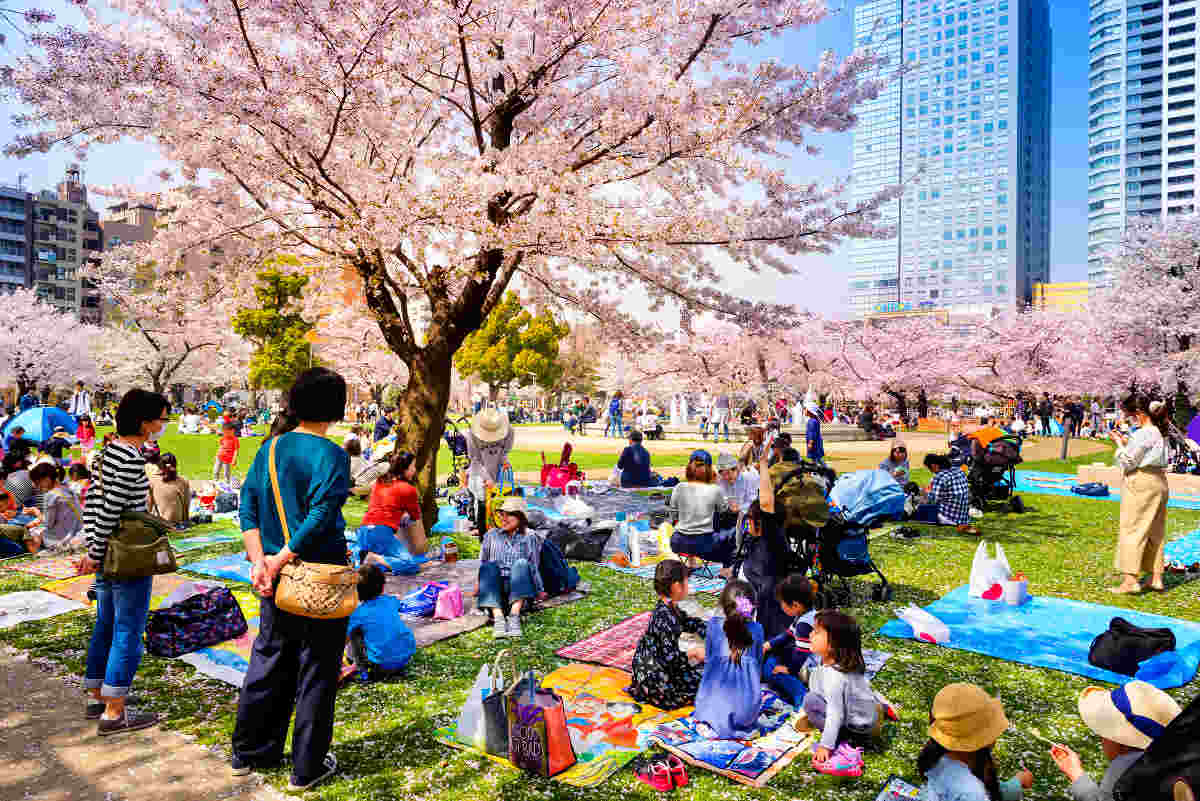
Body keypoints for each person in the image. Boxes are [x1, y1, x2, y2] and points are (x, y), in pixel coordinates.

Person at [232, 367, 352, 792]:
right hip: (319, 574)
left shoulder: (269, 448)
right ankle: (307, 765)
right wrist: (279, 559)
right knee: (318, 667)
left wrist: (260, 562)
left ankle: (251, 751)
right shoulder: (333, 455)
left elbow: (246, 508)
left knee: (270, 657)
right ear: (336, 407)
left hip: (273, 574)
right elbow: (321, 516)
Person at [79, 387, 171, 735]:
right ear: (145, 423)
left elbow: (93, 506)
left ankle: (98, 694)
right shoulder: (130, 457)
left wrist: (93, 549)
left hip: (105, 551)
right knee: (127, 630)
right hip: (123, 554)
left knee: (107, 624)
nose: (163, 425)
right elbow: (111, 510)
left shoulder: (106, 453)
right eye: (161, 419)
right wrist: (96, 553)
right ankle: (114, 712)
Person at [1049, 681, 1180, 801]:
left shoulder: (1125, 768)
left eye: (1103, 733)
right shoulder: (1180, 757)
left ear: (1121, 742)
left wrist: (1075, 773)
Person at [917, 683, 1033, 801]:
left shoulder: (936, 759)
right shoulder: (973, 793)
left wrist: (1017, 783)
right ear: (984, 740)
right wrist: (1017, 783)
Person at [803, 611, 885, 768]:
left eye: (817, 632)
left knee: (810, 701)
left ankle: (843, 739)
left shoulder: (835, 676)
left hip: (857, 731)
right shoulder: (842, 664)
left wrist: (825, 745)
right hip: (865, 718)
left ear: (833, 644)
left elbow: (836, 714)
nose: (811, 634)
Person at [1110, 395, 1170, 594]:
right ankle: (1156, 577)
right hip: (1159, 481)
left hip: (1141, 482)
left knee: (1133, 528)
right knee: (1155, 530)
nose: (1130, 420)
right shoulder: (1160, 432)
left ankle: (1130, 580)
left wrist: (1119, 444)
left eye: (1131, 416)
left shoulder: (1143, 433)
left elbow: (1128, 462)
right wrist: (1129, 443)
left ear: (1139, 414)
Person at [629, 559, 707, 710]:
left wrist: (713, 630)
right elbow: (672, 660)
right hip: (655, 679)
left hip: (658, 669)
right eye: (686, 582)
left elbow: (689, 622)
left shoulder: (669, 607)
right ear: (677, 586)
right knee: (705, 679)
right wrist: (694, 653)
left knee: (704, 672)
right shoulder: (664, 617)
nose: (688, 586)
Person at [694, 580, 764, 739]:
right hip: (746, 715)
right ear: (751, 607)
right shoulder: (758, 629)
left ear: (724, 604)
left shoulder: (713, 625)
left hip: (711, 711)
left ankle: (715, 724)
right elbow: (758, 667)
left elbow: (709, 660)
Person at [474, 496, 544, 639]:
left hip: (520, 590)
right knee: (489, 566)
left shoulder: (530, 536)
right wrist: (478, 585)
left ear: (520, 517)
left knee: (522, 564)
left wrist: (540, 589)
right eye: (502, 515)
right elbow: (483, 563)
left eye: (509, 515)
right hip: (495, 590)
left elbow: (534, 565)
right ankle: (498, 618)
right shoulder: (491, 535)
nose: (504, 519)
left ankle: (514, 616)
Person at [346, 565, 416, 681]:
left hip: (381, 665)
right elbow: (398, 604)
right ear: (383, 586)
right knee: (386, 621)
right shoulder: (391, 601)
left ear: (355, 591)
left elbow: (344, 638)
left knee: (354, 632)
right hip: (405, 657)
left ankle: (361, 669)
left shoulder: (357, 613)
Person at [668, 450, 735, 569]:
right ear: (709, 470)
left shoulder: (678, 488)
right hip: (705, 546)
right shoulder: (714, 490)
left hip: (678, 542)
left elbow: (673, 517)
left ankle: (691, 562)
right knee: (734, 532)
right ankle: (726, 569)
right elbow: (725, 512)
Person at [358, 450, 429, 561]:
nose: (415, 470)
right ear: (404, 469)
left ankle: (373, 559)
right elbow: (415, 517)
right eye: (412, 467)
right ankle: (374, 557)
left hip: (363, 532)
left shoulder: (380, 482)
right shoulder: (408, 489)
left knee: (381, 563)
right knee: (409, 564)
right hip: (381, 533)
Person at [761, 574, 817, 706]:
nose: (781, 606)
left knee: (772, 670)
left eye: (782, 603)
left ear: (795, 605)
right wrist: (768, 644)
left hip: (812, 667)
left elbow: (801, 654)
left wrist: (789, 670)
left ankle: (803, 699)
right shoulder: (807, 615)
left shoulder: (803, 625)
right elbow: (788, 634)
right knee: (773, 662)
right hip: (809, 661)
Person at [463, 408, 514, 530]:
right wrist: (486, 478)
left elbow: (503, 453)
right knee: (483, 505)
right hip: (479, 474)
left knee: (500, 506)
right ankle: (483, 537)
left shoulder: (509, 431)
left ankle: (500, 535)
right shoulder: (472, 434)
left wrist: (505, 461)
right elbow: (475, 460)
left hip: (498, 474)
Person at [29, 461, 84, 549]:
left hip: (64, 538)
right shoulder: (68, 488)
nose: (38, 487)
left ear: (46, 479)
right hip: (79, 531)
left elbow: (48, 524)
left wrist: (36, 512)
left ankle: (36, 556)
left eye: (38, 482)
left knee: (33, 531)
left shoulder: (51, 495)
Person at [921, 453, 976, 532]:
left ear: (933, 466)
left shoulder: (939, 476)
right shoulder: (959, 470)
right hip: (963, 517)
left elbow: (932, 501)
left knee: (920, 508)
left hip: (948, 517)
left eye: (929, 468)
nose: (931, 471)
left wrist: (926, 492)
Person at [149, 453, 191, 523]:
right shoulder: (182, 481)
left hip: (162, 526)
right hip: (177, 525)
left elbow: (148, 509)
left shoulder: (152, 481)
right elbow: (186, 509)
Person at [805, 400, 826, 464]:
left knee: (815, 459)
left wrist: (810, 443)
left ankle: (822, 470)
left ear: (809, 411)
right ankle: (823, 469)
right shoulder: (814, 420)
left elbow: (812, 433)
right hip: (817, 442)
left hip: (814, 443)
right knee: (817, 459)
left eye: (805, 409)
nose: (804, 411)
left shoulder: (812, 421)